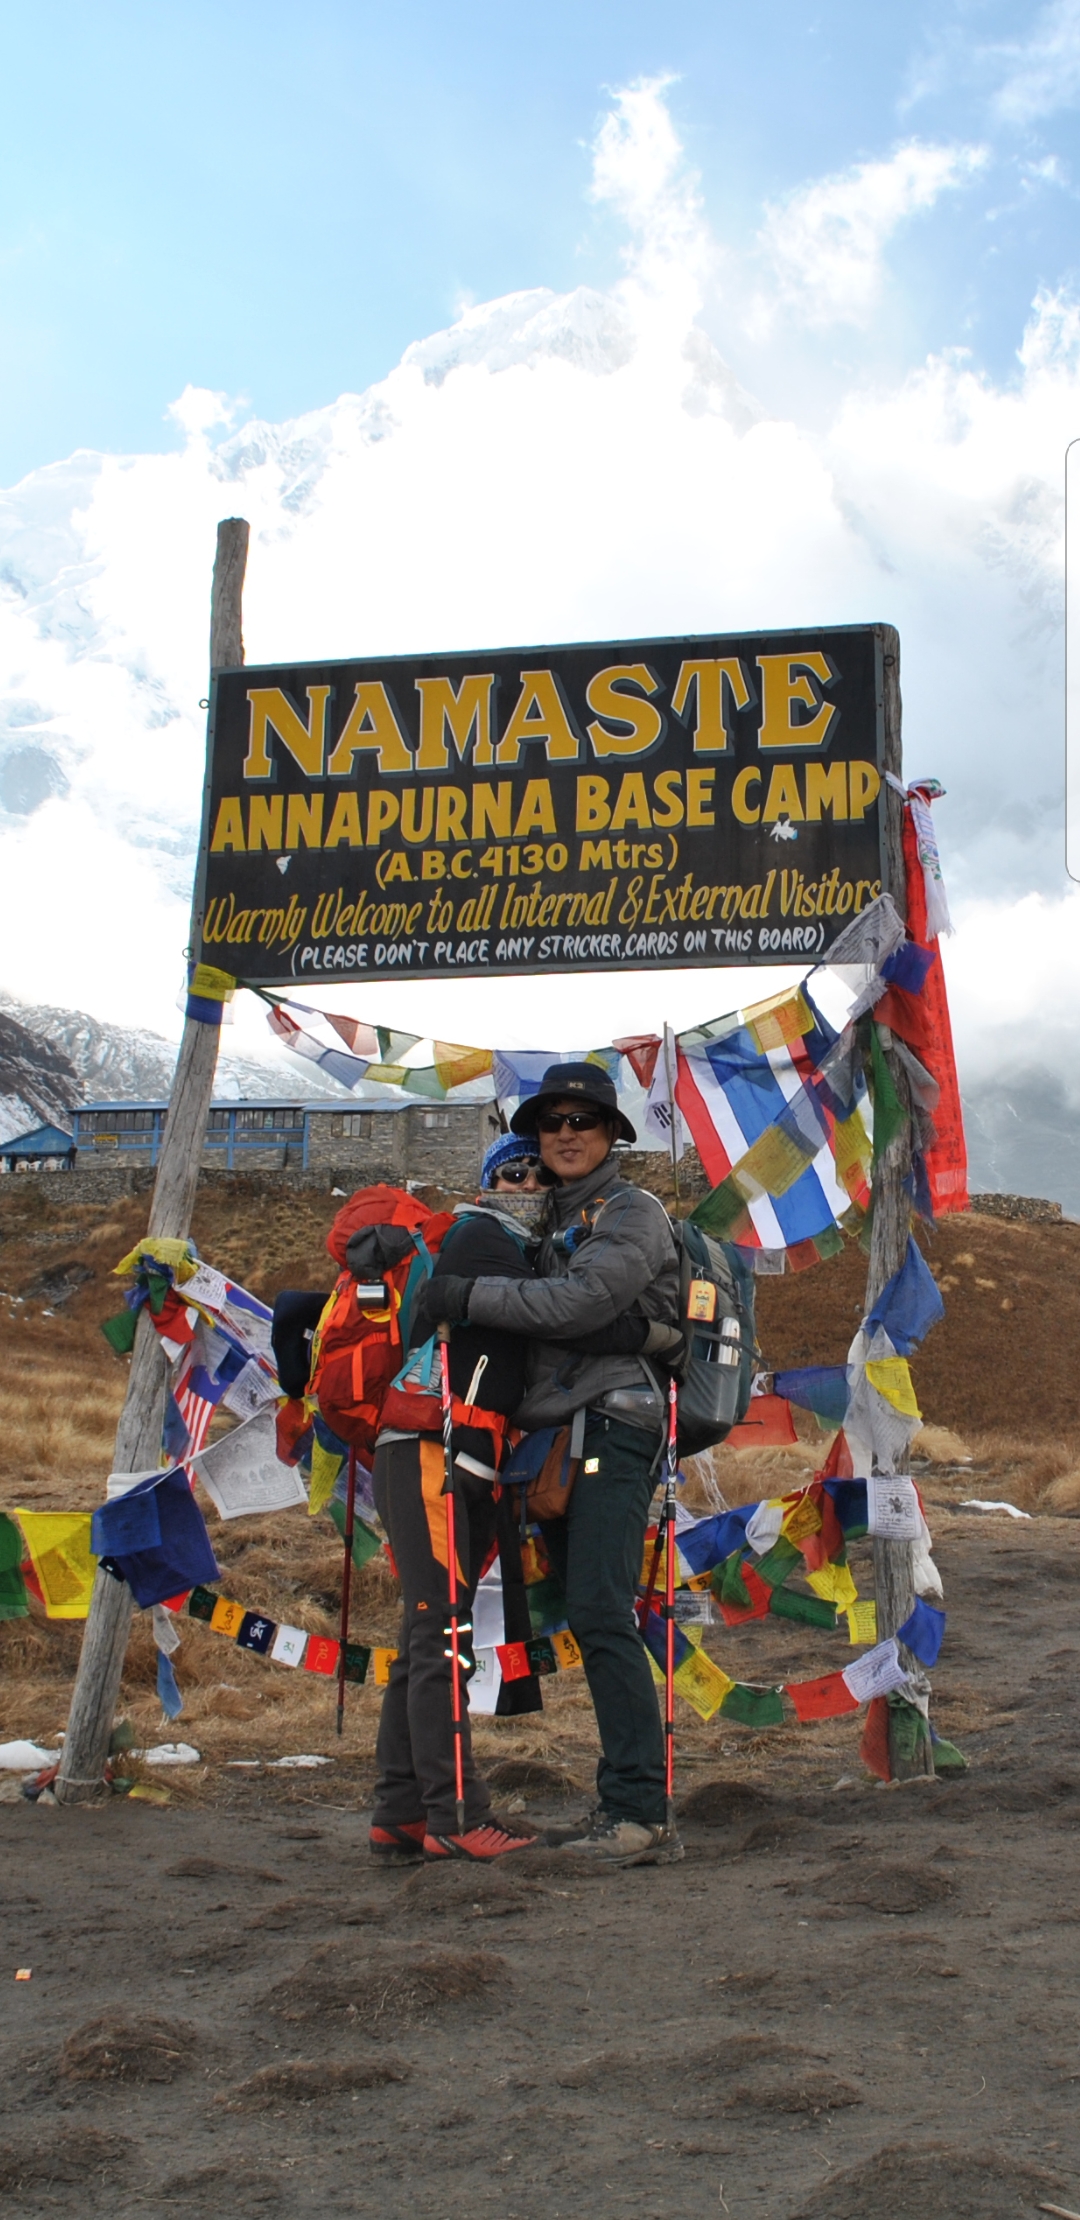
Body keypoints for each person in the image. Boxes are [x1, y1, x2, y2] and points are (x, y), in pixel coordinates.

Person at [409, 1062, 685, 1870]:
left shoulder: (631, 1213)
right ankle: (624, 1802)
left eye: (583, 1121)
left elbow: (576, 1305)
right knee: (590, 1610)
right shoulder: (544, 1218)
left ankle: (639, 1811)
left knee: (600, 1608)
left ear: (611, 1135)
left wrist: (466, 1297)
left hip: (614, 1423)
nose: (566, 1134)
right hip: (560, 1435)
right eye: (552, 1122)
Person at [369, 1131, 548, 1864]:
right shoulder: (482, 1238)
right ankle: (456, 1816)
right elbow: (543, 1309)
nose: (528, 1183)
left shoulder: (510, 1246)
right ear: (488, 1184)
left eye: (536, 1173)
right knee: (442, 1635)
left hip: (459, 1457)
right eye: (512, 1173)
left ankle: (400, 1813)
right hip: (430, 1450)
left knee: (427, 1637)